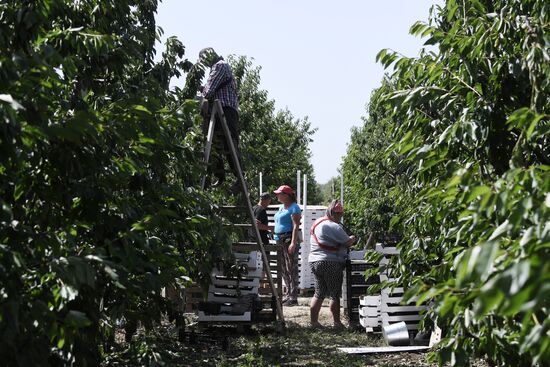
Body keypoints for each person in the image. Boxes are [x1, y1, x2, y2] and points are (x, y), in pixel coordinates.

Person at [199, 47, 242, 192]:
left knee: (230, 144)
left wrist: (202, 92)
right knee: (216, 144)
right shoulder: (220, 67)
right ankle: (220, 175)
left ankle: (240, 178)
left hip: (226, 110)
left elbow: (209, 90)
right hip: (220, 111)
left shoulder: (220, 65)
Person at [308, 199, 356, 328]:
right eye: (340, 215)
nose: (340, 217)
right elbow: (347, 242)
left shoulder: (317, 223)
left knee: (319, 292)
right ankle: (337, 323)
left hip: (314, 261)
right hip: (330, 262)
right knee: (334, 294)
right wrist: (352, 238)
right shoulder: (333, 226)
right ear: (334, 213)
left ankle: (313, 322)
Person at [273, 185, 302, 306]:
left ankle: (293, 296)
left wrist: (293, 243)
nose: (277, 196)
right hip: (279, 239)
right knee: (283, 268)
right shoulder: (281, 207)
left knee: (291, 267)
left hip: (288, 238)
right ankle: (287, 294)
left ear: (286, 195)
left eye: (279, 194)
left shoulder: (294, 208)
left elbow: (296, 226)